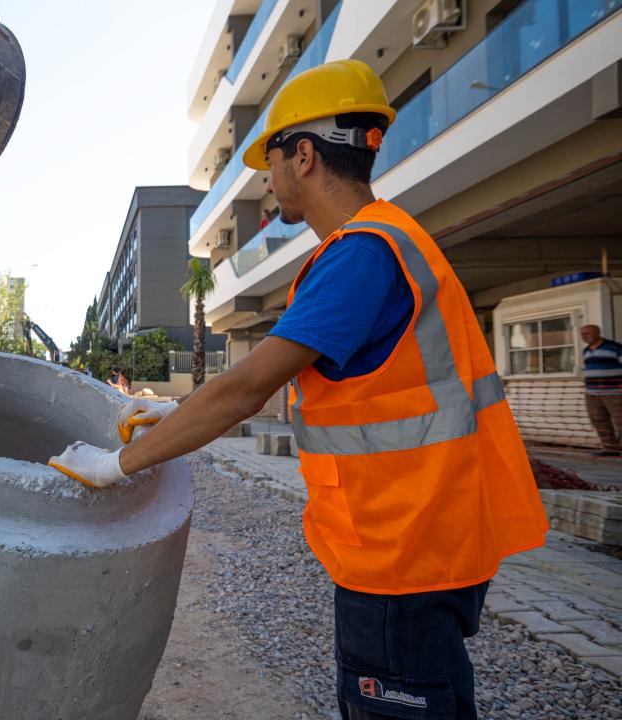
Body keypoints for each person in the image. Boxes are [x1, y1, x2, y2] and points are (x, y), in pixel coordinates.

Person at [48, 60, 547, 720]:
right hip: (425, 539)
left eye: (271, 161)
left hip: (404, 551)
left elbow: (248, 386)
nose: (268, 178)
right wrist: (169, 410)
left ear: (305, 156)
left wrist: (116, 465)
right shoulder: (388, 241)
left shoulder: (361, 255)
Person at [581, 324, 622, 457]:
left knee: (620, 420)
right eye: (582, 334)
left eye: (587, 333)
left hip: (614, 392)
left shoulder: (614, 347)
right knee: (598, 419)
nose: (584, 336)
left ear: (597, 333)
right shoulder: (586, 350)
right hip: (592, 393)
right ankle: (610, 448)